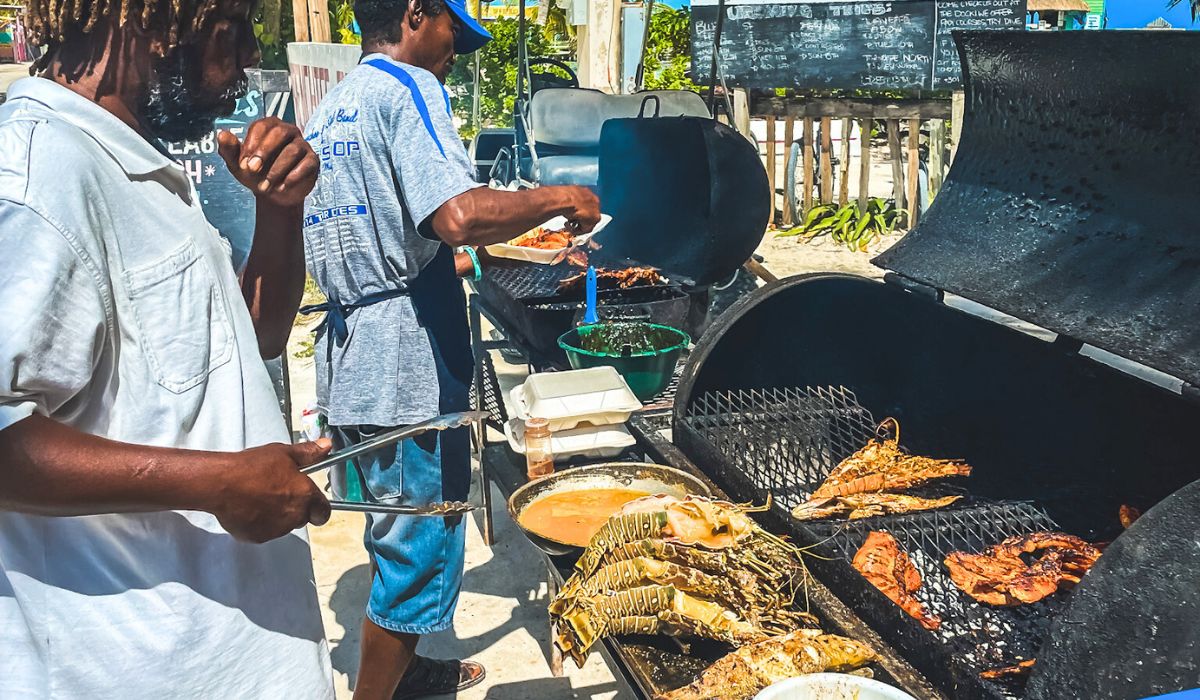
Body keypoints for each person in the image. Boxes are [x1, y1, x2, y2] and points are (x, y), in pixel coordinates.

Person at [0, 0, 337, 696]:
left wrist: (281, 210)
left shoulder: (131, 160)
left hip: (231, 654)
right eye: (231, 29)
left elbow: (258, 338)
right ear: (147, 18)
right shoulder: (36, 181)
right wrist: (217, 484)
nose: (247, 57)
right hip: (141, 668)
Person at [301, 0, 601, 695]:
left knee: (394, 530)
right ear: (415, 12)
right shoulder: (409, 87)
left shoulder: (331, 106)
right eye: (452, 35)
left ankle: (411, 675)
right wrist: (561, 196)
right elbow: (458, 214)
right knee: (419, 550)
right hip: (407, 365)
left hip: (354, 356)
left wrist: (487, 259)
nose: (454, 54)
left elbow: (397, 250)